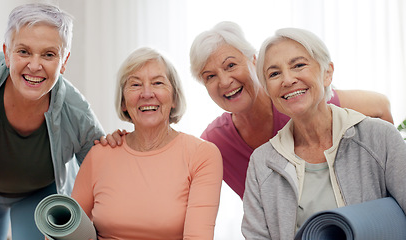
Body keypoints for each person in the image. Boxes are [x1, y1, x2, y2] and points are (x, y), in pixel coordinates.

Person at [103, 21, 393, 200]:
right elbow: (170, 178)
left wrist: (385, 187)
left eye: (231, 65)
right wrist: (124, 143)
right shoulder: (216, 141)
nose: (225, 81)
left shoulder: (295, 100)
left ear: (253, 60)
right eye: (210, 76)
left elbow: (380, 106)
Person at [0, 3, 105, 240]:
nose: (35, 65)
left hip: (40, 197)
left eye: (49, 54)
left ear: (64, 61)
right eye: (24, 51)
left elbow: (104, 175)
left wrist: (120, 144)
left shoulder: (78, 114)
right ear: (6, 53)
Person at [241, 27, 406, 239]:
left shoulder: (379, 138)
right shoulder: (262, 162)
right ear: (267, 89)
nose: (288, 80)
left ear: (327, 73)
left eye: (299, 65)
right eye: (274, 74)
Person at [71, 47, 223, 239]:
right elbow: (65, 228)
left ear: (174, 97)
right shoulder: (100, 154)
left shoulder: (201, 155)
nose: (147, 93)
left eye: (158, 83)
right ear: (124, 102)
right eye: (135, 85)